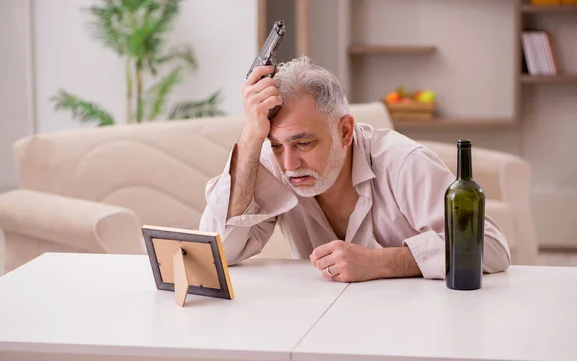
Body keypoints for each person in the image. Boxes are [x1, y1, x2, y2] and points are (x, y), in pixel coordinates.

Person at [199, 56, 510, 282]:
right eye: (276, 145)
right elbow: (220, 252)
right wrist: (252, 138)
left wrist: (384, 262)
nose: (290, 164)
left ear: (345, 132)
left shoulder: (402, 162)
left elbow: (492, 247)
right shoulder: (274, 163)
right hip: (324, 329)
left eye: (304, 143)